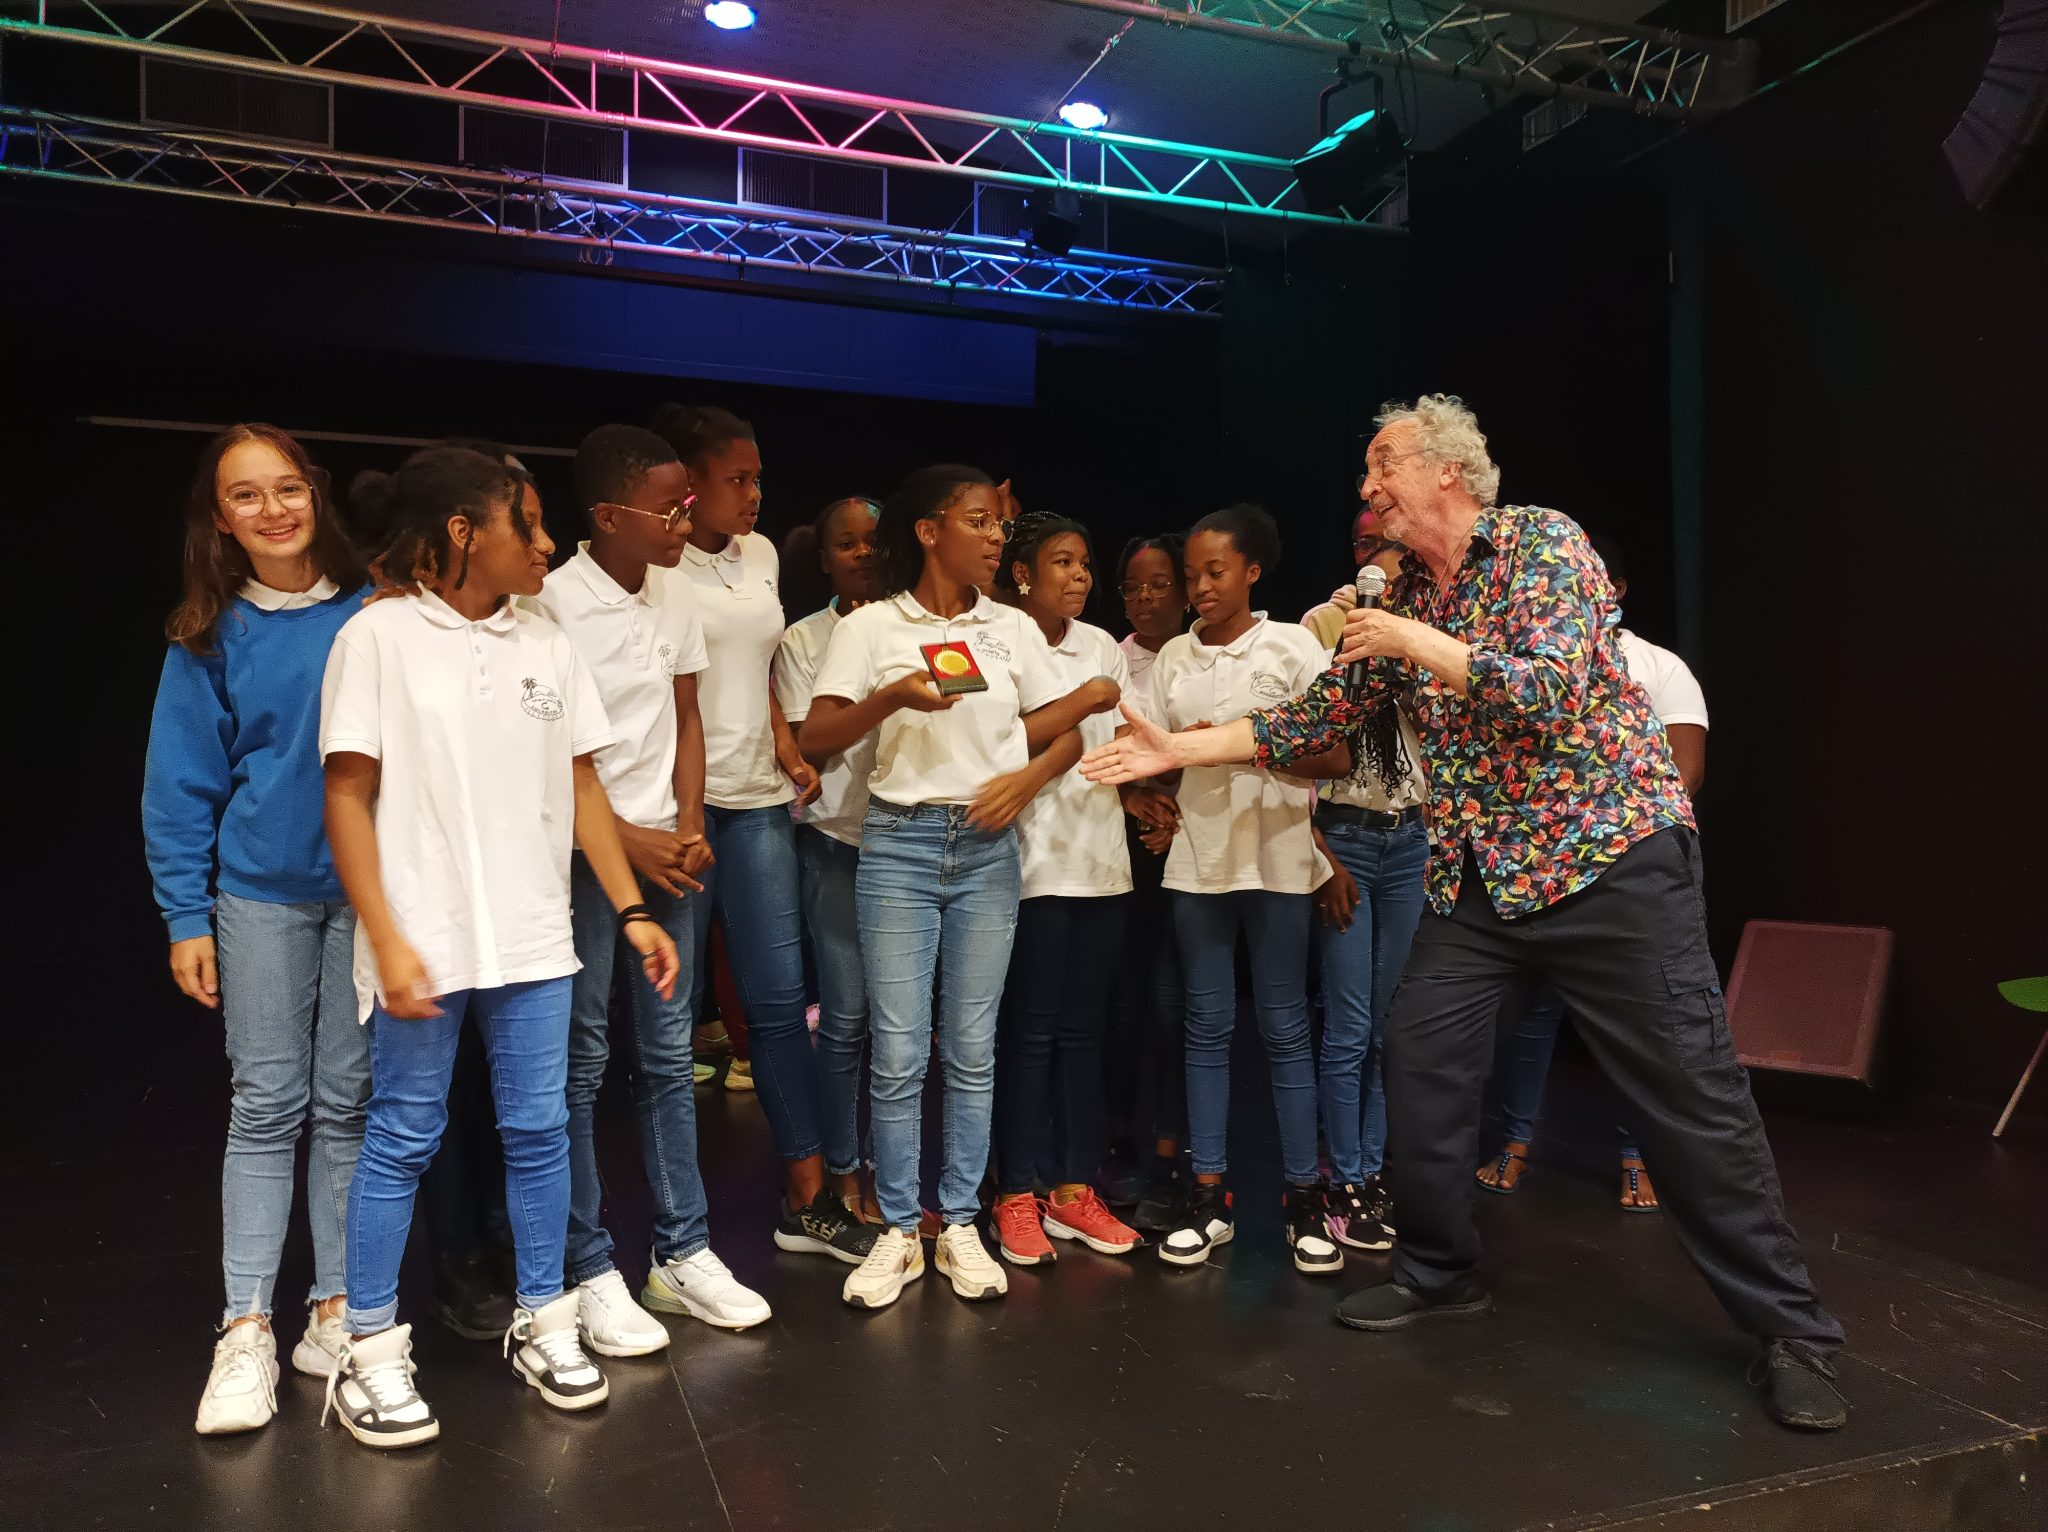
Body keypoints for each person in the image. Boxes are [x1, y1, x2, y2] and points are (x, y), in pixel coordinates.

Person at [1081, 394, 1848, 1431]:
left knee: (1690, 1093)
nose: (1366, 489)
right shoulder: (1398, 593)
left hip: (1607, 858)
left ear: (1446, 469)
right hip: (1480, 878)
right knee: (1419, 1057)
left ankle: (1792, 1331)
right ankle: (1439, 1270)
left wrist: (1411, 638)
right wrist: (1182, 747)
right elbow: (1319, 717)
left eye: (1381, 465)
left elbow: (1546, 689)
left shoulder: (1541, 545)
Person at [318, 446, 681, 1449]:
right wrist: (385, 936)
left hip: (532, 937)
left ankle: (544, 1320)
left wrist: (632, 909)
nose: (547, 542)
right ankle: (368, 1348)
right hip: (423, 940)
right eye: (530, 522)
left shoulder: (546, 642)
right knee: (402, 1134)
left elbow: (581, 785)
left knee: (539, 1130)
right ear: (465, 532)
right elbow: (346, 794)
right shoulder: (377, 637)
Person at [796, 464, 1118, 1310]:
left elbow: (1060, 735)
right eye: (978, 521)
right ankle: (901, 1230)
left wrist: (1024, 782)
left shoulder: (1008, 628)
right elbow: (817, 737)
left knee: (972, 1051)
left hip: (986, 850)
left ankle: (962, 1222)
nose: (995, 535)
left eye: (998, 524)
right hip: (899, 844)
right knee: (900, 1052)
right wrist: (890, 698)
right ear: (929, 530)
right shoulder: (873, 626)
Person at [144, 425, 372, 1435]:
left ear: (315, 493)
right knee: (268, 1101)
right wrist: (184, 914)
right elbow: (179, 785)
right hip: (261, 896)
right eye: (247, 495)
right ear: (221, 519)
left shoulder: (378, 613)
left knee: (349, 1102)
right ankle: (245, 1328)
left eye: (287, 488)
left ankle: (336, 1308)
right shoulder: (209, 634)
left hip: (371, 897)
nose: (273, 509)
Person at [531, 424, 770, 1347]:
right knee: (583, 1060)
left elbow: (687, 717)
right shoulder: (551, 603)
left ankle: (683, 1252)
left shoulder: (674, 594)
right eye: (668, 509)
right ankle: (588, 1264)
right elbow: (547, 756)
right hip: (587, 858)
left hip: (669, 850)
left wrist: (691, 825)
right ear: (607, 516)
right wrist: (629, 843)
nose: (683, 522)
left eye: (686, 505)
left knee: (670, 1059)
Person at [648, 405, 876, 1268]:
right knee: (670, 1027)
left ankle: (807, 1200)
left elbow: (760, 670)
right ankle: (678, 1239)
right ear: (690, 484)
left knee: (780, 1007)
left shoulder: (765, 554)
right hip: (679, 809)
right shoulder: (659, 565)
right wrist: (679, 812)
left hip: (758, 803)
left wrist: (784, 743)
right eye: (736, 479)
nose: (752, 494)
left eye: (757, 479)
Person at [1145, 505, 1351, 1277]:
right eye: (1191, 574)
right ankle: (1208, 1197)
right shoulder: (1173, 656)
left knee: (1284, 1025)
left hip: (1278, 861)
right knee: (1205, 1025)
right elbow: (1157, 753)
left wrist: (1247, 746)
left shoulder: (1293, 646)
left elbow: (1335, 756)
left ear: (1252, 572)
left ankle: (1304, 1199)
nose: (1200, 586)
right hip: (1200, 863)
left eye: (1216, 571)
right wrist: (1154, 784)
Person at [1477, 534, 1710, 1214]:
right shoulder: (1524, 662)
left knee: (1636, 1027)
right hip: (1537, 874)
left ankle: (1640, 1156)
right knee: (1530, 1020)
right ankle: (1516, 1142)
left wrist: (1598, 833)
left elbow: (1684, 773)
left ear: (1618, 589)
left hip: (1625, 876)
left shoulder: (1658, 665)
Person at [987, 511, 1142, 1266]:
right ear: (1022, 574)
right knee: (1028, 1034)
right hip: (1027, 866)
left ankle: (1074, 1191)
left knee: (1083, 1035)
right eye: (1062, 562)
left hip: (1100, 864)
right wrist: (1084, 701)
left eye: (1085, 563)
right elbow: (998, 740)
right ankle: (1014, 1192)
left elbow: (1117, 745)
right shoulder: (1000, 638)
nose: (1080, 575)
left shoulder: (1102, 645)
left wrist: (1144, 786)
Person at [1298, 533, 1430, 1254]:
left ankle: (1373, 1170)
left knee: (1386, 1025)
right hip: (1346, 834)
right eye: (1374, 570)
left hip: (1409, 836)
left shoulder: (1430, 636)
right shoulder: (1325, 625)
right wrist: (1321, 856)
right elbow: (1302, 742)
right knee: (1348, 1024)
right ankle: (1342, 1179)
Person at [773, 496, 887, 1223]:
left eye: (873, 541)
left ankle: (892, 1181)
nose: (863, 554)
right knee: (845, 1018)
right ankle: (844, 1174)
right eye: (847, 544)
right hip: (837, 838)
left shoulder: (913, 625)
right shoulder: (804, 640)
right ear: (824, 558)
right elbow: (807, 741)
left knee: (900, 1030)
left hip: (912, 842)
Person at [1102, 534, 1192, 1235]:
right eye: (1132, 587)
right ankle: (1121, 1142)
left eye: (1159, 584)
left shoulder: (1199, 654)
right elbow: (1098, 750)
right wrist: (1140, 802)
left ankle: (1174, 1150)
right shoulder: (1112, 657)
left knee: (1175, 1006)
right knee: (1124, 1004)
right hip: (1124, 846)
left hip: (1193, 842)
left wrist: (1173, 811)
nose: (1144, 597)